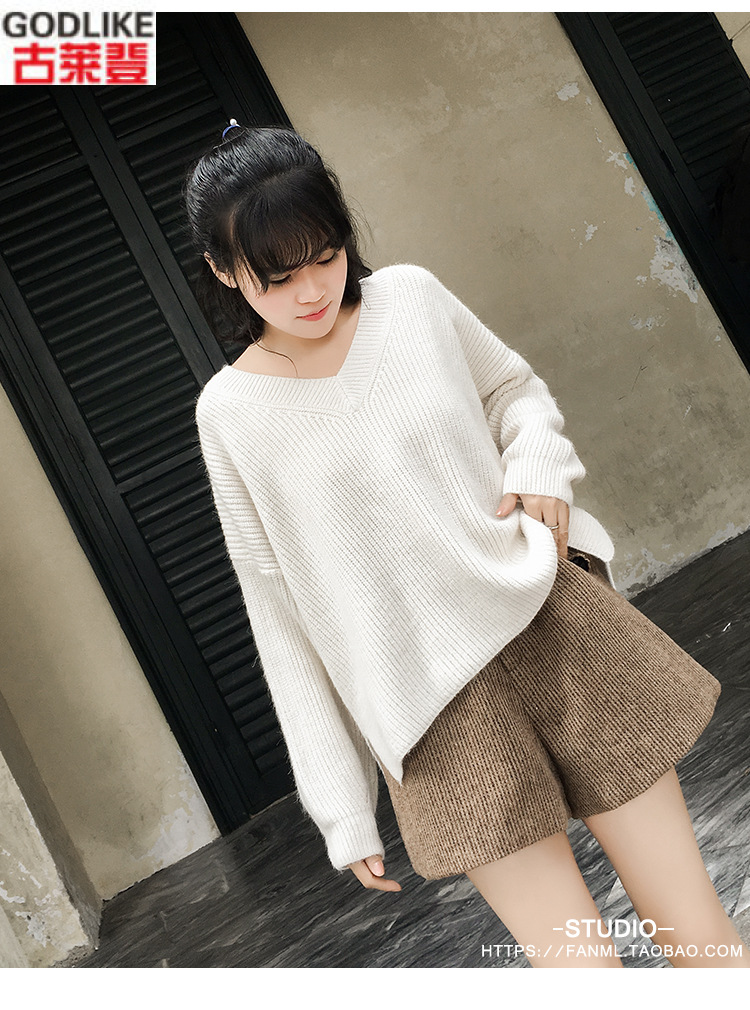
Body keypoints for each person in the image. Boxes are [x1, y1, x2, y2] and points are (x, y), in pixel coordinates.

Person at [186, 122, 749, 969]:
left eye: (326, 257)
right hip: (434, 714)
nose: (311, 291)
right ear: (225, 273)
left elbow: (513, 392)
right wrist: (341, 804)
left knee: (692, 927)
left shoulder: (410, 300)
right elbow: (279, 608)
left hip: (553, 626)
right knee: (581, 970)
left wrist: (540, 467)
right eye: (279, 277)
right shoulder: (231, 415)